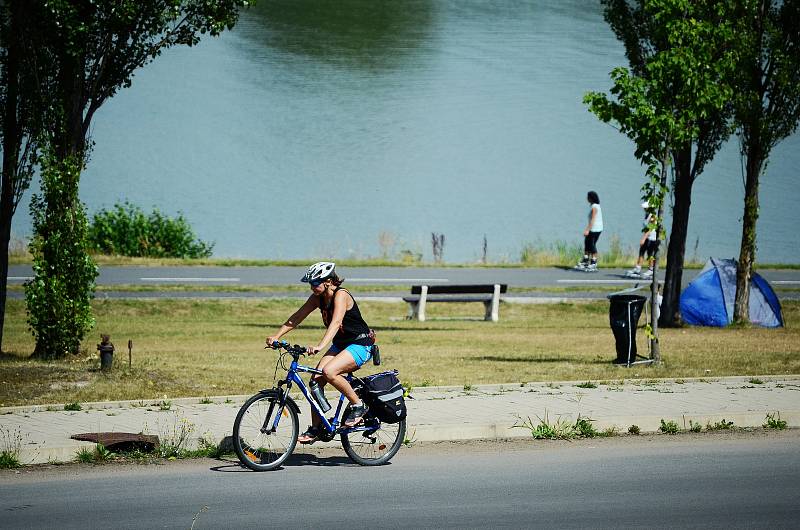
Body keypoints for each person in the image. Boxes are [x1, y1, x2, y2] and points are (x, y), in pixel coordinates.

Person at [266, 261, 374, 444]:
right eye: (310, 283)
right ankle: (316, 428)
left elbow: (336, 322)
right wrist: (276, 336)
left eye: (315, 283)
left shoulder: (342, 295)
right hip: (341, 345)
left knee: (329, 371)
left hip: (360, 344)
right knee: (315, 382)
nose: (312, 287)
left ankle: (358, 405)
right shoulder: (317, 298)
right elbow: (297, 317)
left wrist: (320, 346)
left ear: (329, 281)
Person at [627, 201, 659, 279]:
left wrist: (643, 239)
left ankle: (651, 270)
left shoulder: (653, 216)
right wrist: (644, 238)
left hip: (652, 238)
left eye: (645, 208)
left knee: (650, 254)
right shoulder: (647, 215)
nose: (644, 209)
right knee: (641, 252)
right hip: (647, 237)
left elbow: (650, 229)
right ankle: (638, 268)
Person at [575, 191, 603, 272]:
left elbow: (593, 219)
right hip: (597, 228)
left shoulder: (594, 206)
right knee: (587, 243)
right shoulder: (595, 205)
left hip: (595, 229)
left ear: (591, 198)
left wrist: (587, 230)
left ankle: (594, 262)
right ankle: (586, 260)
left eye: (587, 197)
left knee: (591, 245)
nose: (586, 198)